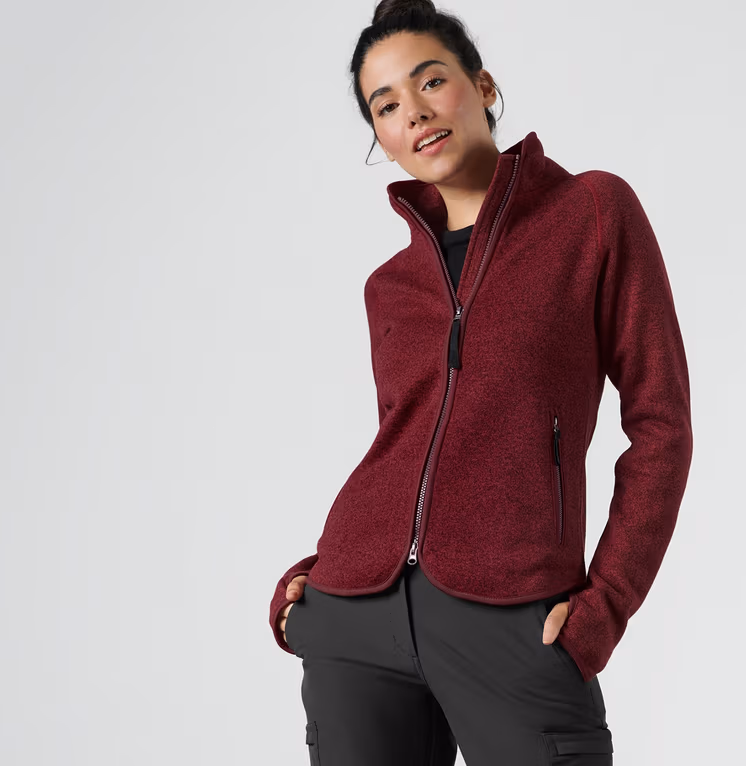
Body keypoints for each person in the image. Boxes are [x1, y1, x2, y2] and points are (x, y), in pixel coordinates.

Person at [268, 1, 693, 763]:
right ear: (381, 138)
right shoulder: (389, 287)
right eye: (386, 106)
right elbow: (405, 449)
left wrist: (605, 606)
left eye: (431, 82)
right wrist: (321, 585)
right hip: (355, 616)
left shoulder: (592, 213)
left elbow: (661, 423)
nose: (414, 112)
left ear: (484, 87)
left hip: (512, 613)